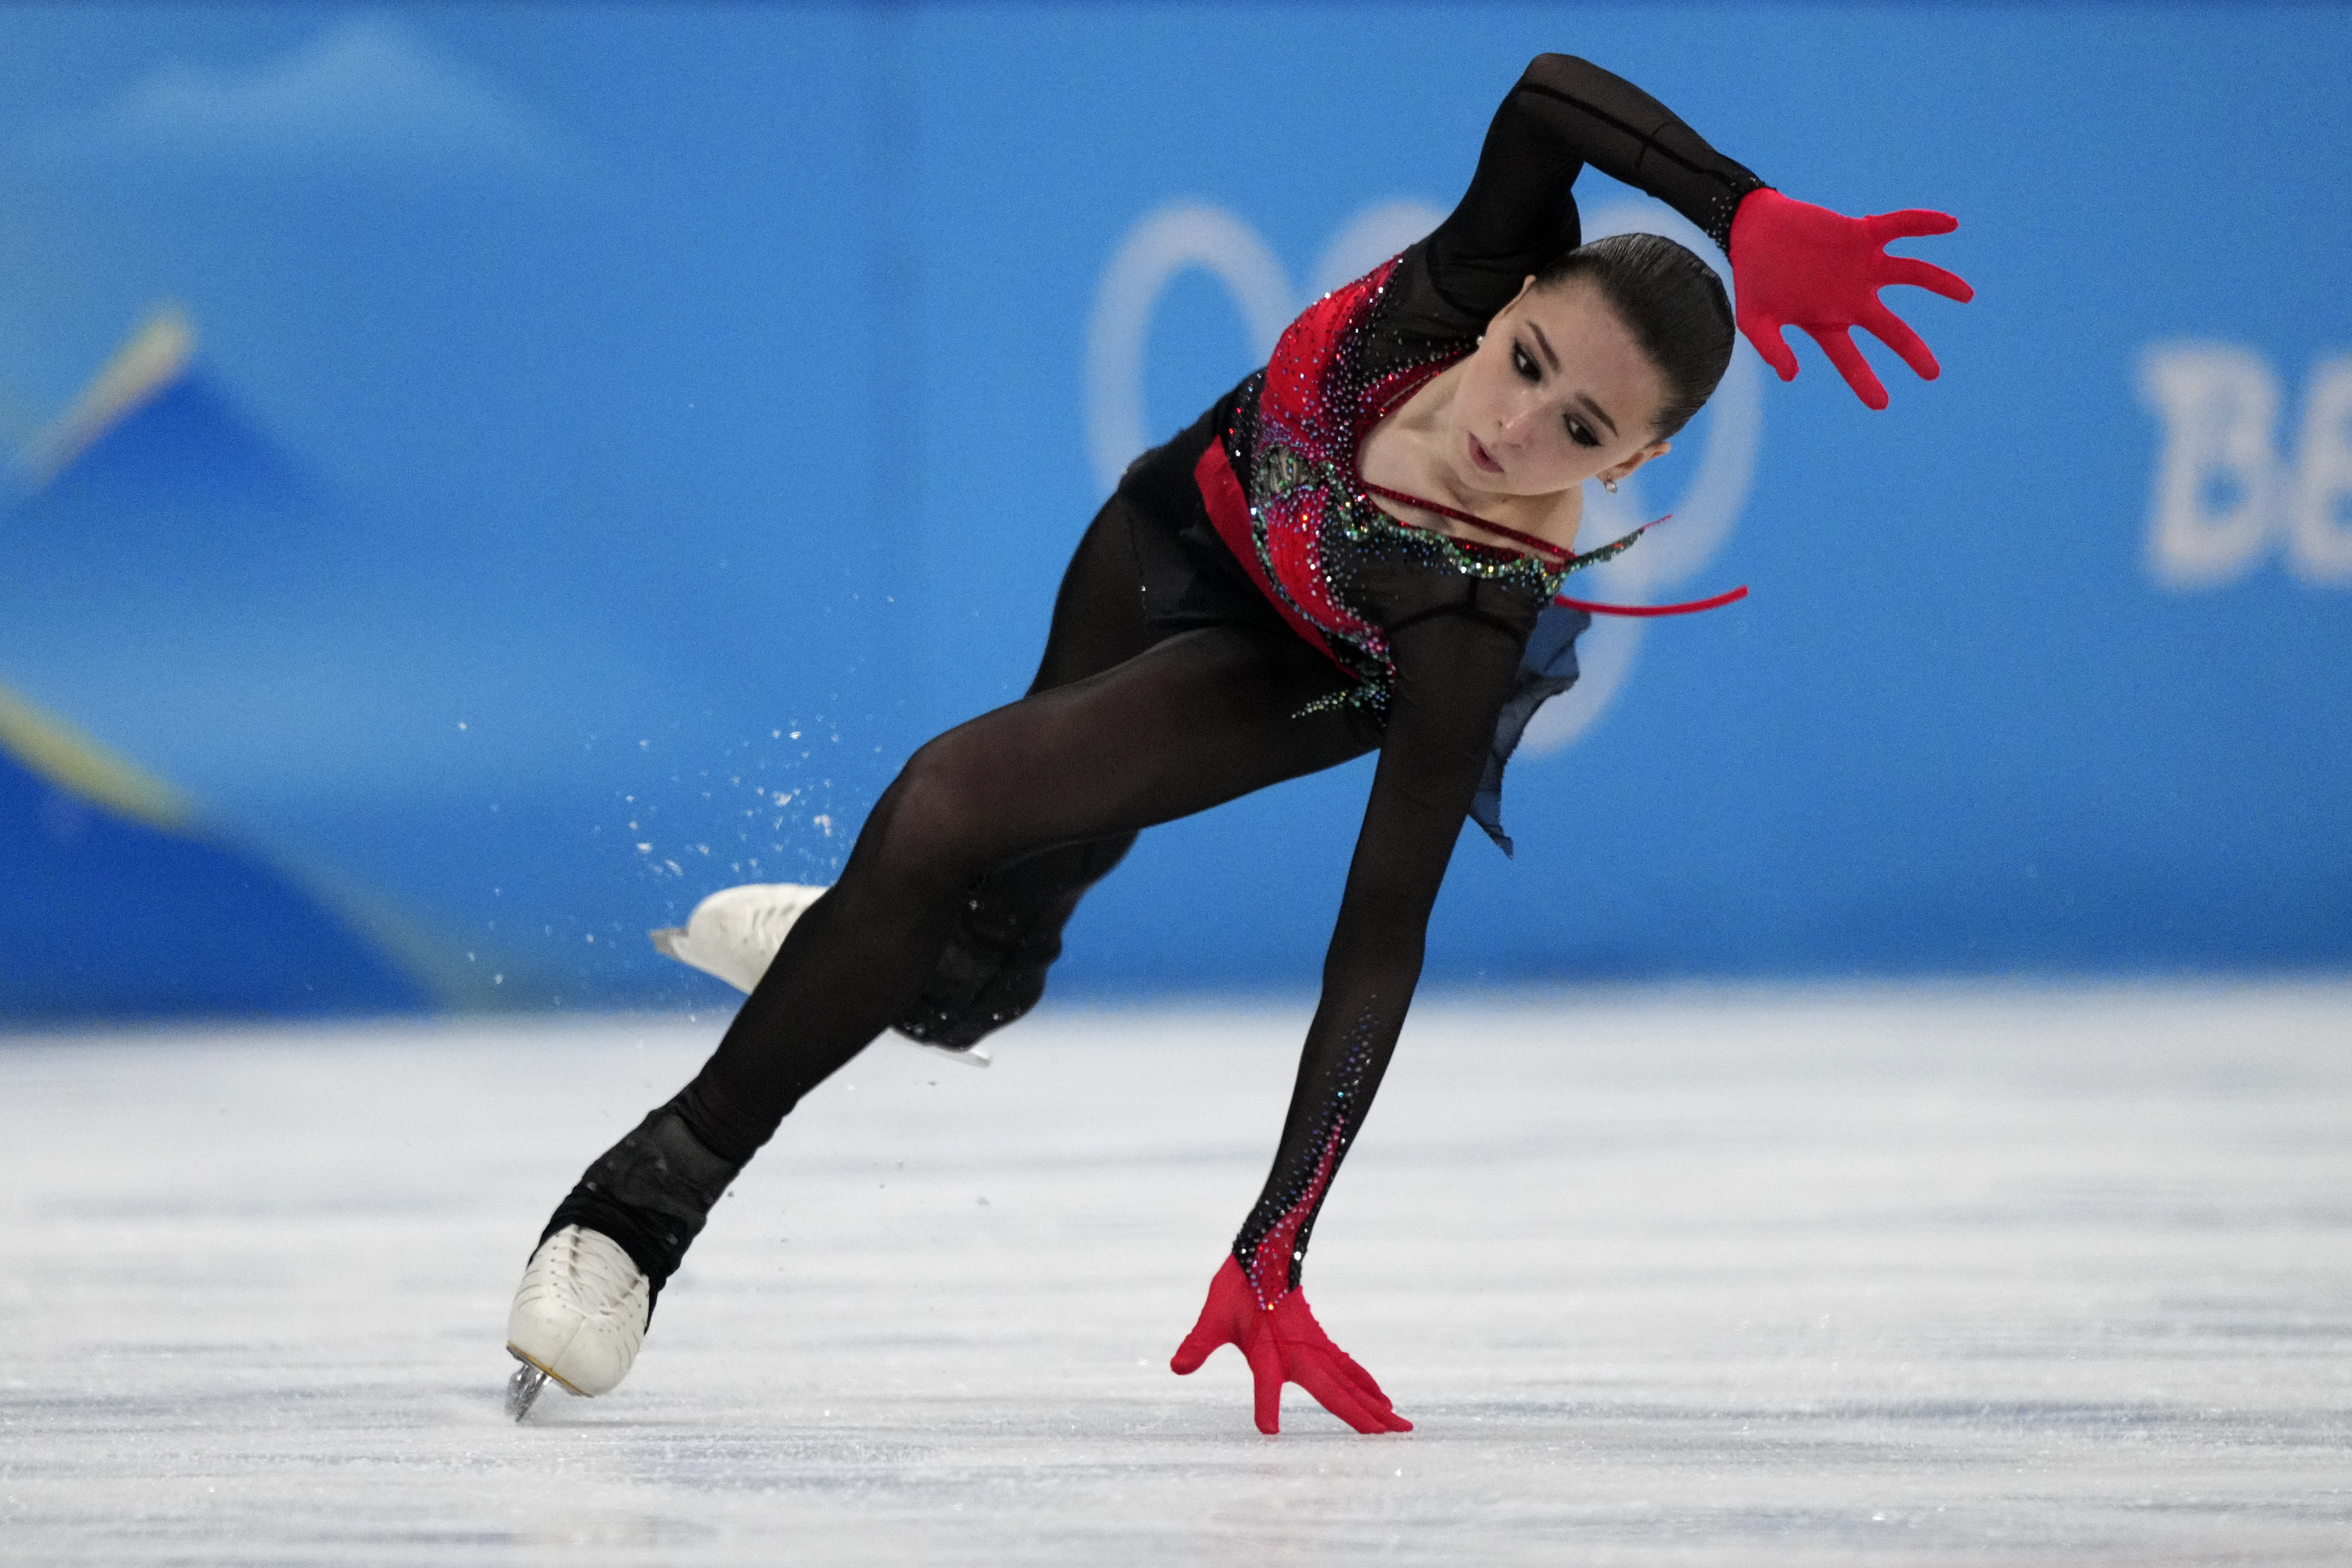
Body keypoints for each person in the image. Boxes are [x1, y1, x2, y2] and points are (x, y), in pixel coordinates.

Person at [501, 51, 1972, 1432]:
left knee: (954, 821)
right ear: (1512, 289)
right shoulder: (1466, 268)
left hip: (1296, 672)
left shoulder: (1473, 614)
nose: (1516, 429)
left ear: (1636, 465)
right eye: (1526, 362)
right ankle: (868, 947)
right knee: (971, 917)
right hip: (1171, 529)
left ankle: (636, 1213)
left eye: (1581, 432)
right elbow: (1549, 92)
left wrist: (1279, 1240)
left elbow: (1379, 939)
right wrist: (1745, 208)